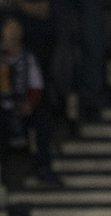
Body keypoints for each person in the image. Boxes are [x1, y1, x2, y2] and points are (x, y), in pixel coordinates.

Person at [0, 18, 57, 188]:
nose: (12, 36)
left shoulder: (28, 57)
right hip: (3, 109)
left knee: (42, 122)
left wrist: (29, 105)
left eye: (15, 31)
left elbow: (36, 85)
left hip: (22, 108)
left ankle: (43, 168)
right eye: (9, 32)